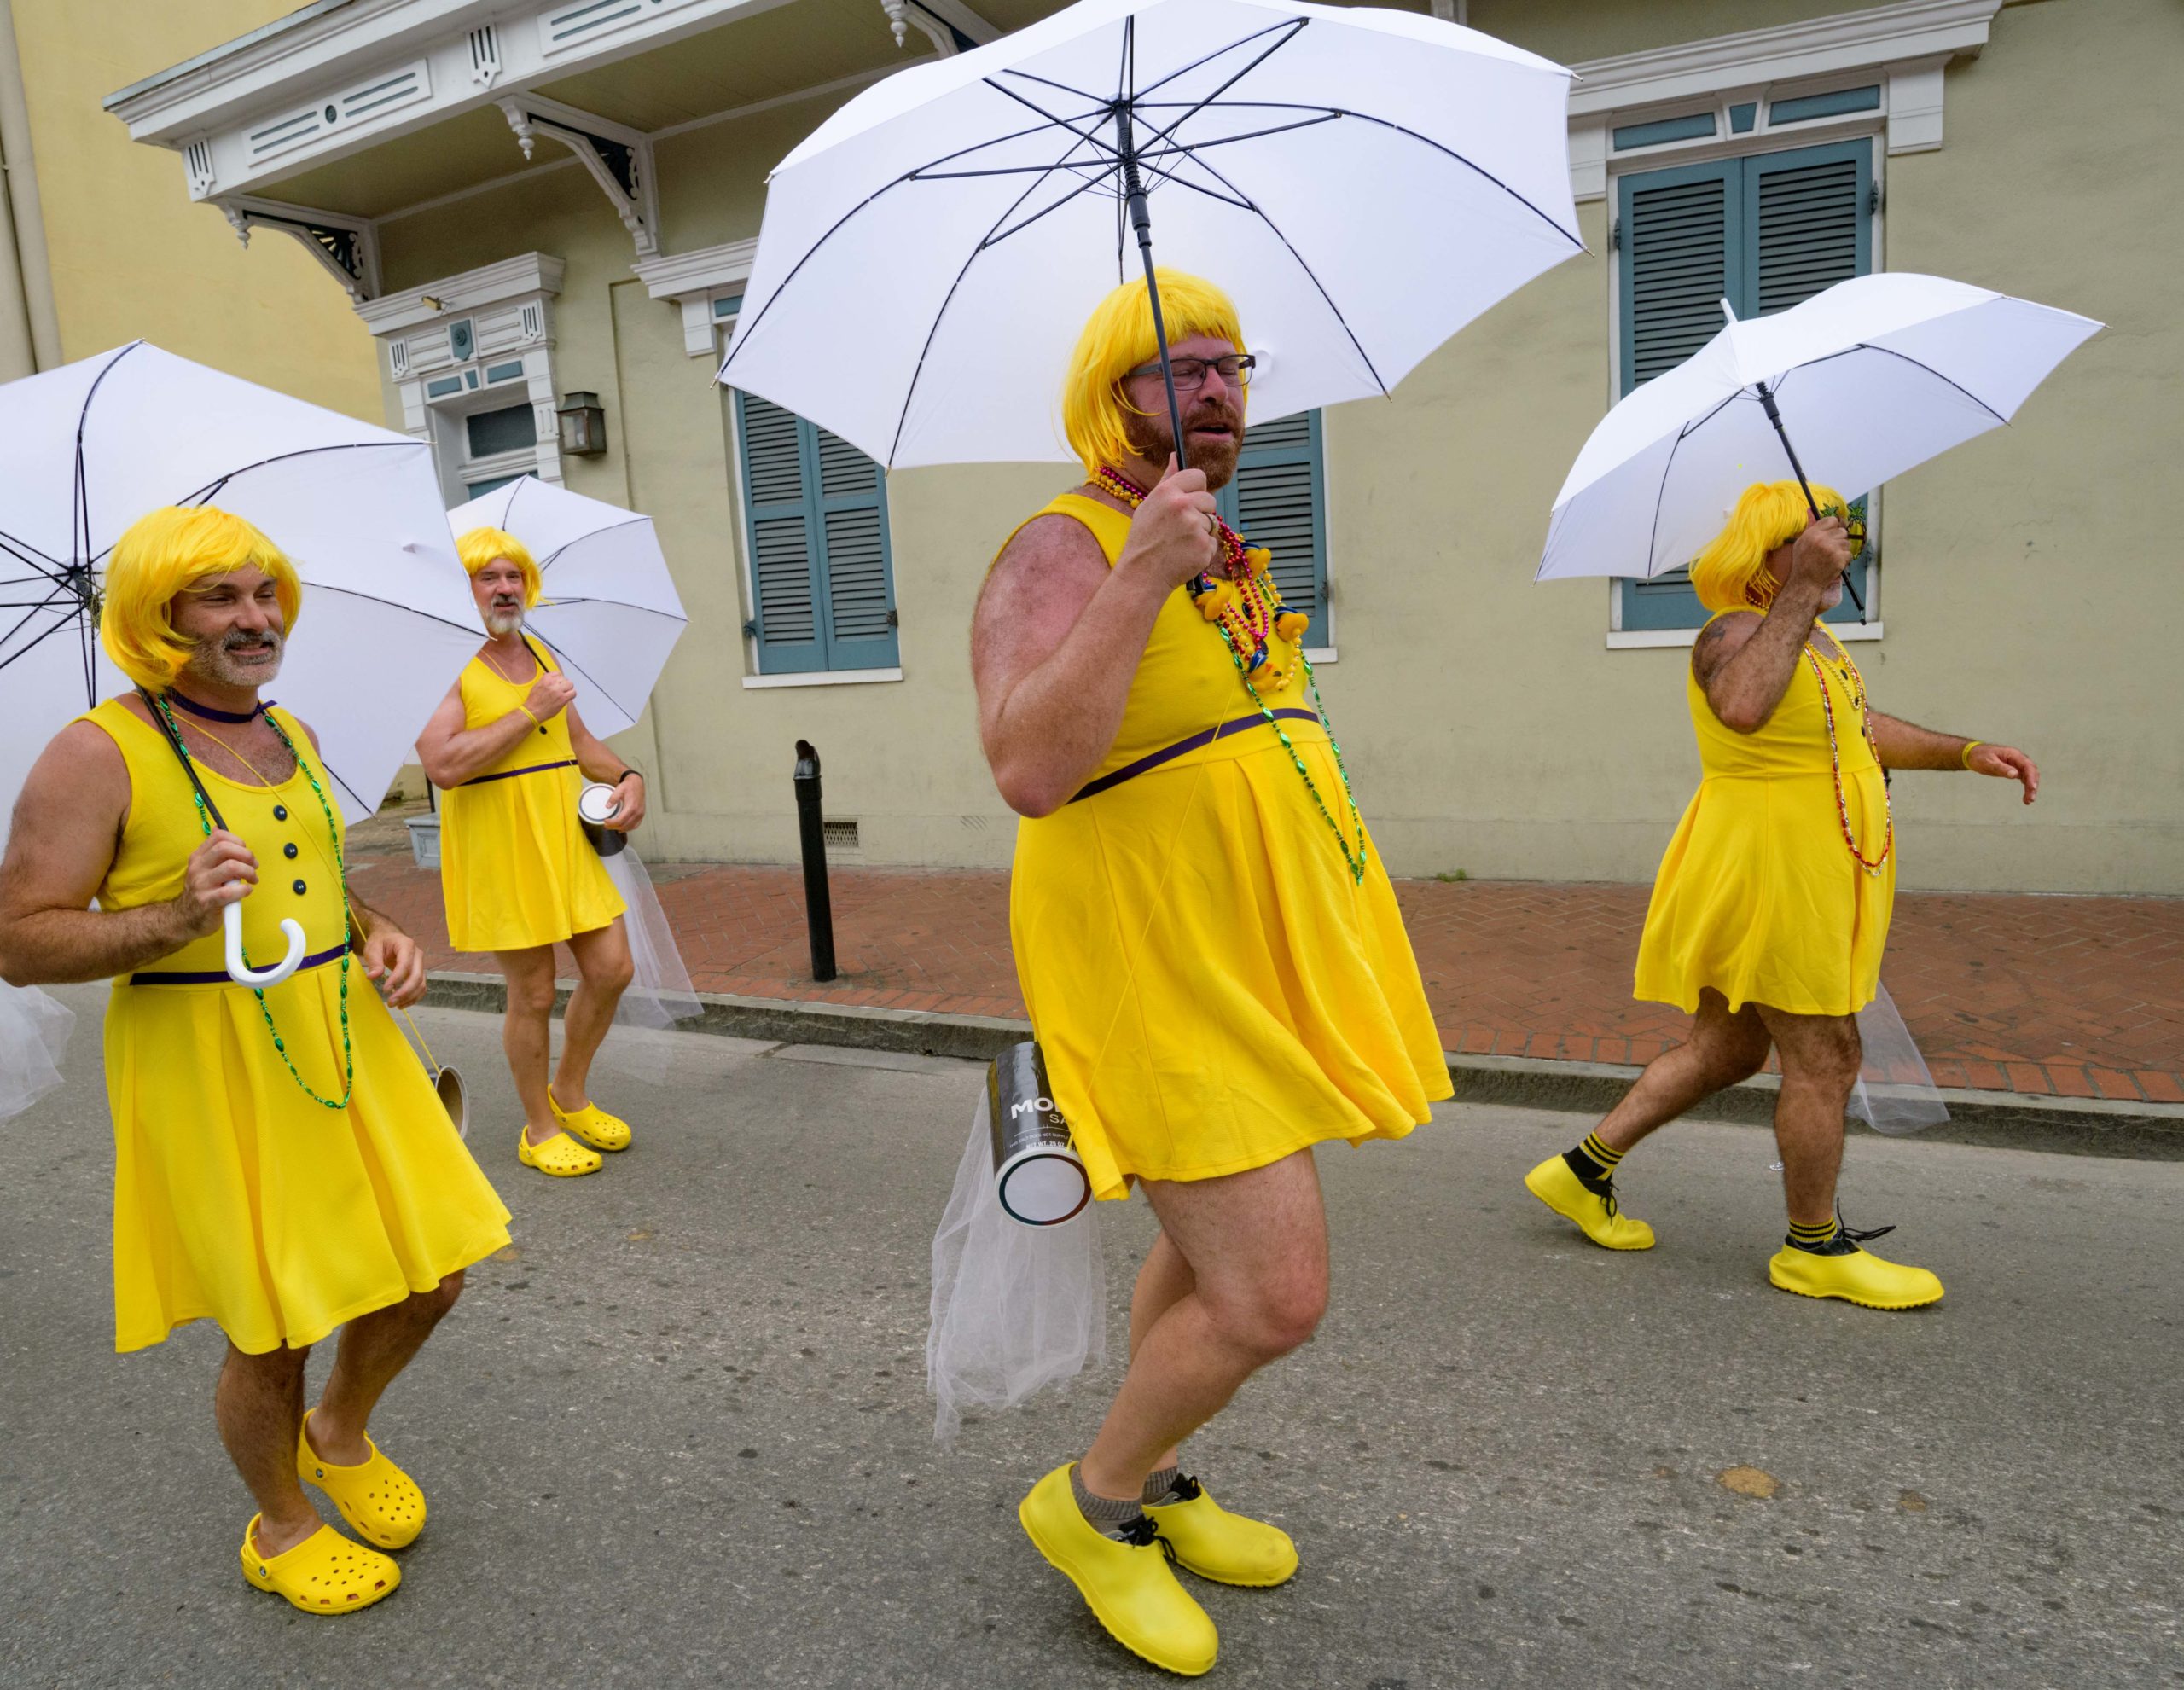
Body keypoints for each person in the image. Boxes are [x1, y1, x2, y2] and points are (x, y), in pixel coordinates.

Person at [970, 272, 1452, 1677]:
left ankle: (1161, 1475)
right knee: (1273, 1295)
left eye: (1234, 366)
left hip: (1251, 951)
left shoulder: (1215, 543)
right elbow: (1027, 767)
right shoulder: (1059, 545)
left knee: (1202, 1252)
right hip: (1149, 956)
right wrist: (1134, 575)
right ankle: (1092, 1503)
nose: (1222, 391)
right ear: (1111, 395)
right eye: (1182, 369)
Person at [0, 506, 511, 1614]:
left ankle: (340, 1429)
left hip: (343, 1032)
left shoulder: (293, 733)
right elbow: (21, 940)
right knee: (273, 1324)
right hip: (206, 1053)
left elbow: (318, 878)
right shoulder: (96, 753)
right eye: (219, 598)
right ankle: (280, 1526)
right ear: (158, 616)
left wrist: (378, 930)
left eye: (264, 591)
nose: (254, 617)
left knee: (435, 1273)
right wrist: (174, 914)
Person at [1525, 481, 2040, 1310]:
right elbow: (1740, 705)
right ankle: (1812, 1247)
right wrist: (1802, 587)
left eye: (1840, 531)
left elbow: (1858, 730)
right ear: (1766, 555)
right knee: (1826, 1053)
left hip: (1800, 867)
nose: (1840, 542)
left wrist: (1965, 751)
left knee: (1726, 1049)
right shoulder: (1732, 632)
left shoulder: (1814, 641)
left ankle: (1580, 1172)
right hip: (1769, 872)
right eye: (1814, 535)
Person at [416, 527, 645, 1179]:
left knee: (612, 968)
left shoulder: (541, 651)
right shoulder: (445, 664)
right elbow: (442, 764)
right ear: (464, 590)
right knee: (535, 990)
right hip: (500, 844)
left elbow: (579, 742)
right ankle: (538, 1128)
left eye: (513, 575)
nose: (504, 588)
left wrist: (627, 775)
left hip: (562, 838)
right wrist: (527, 710)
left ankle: (568, 1090)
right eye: (488, 577)